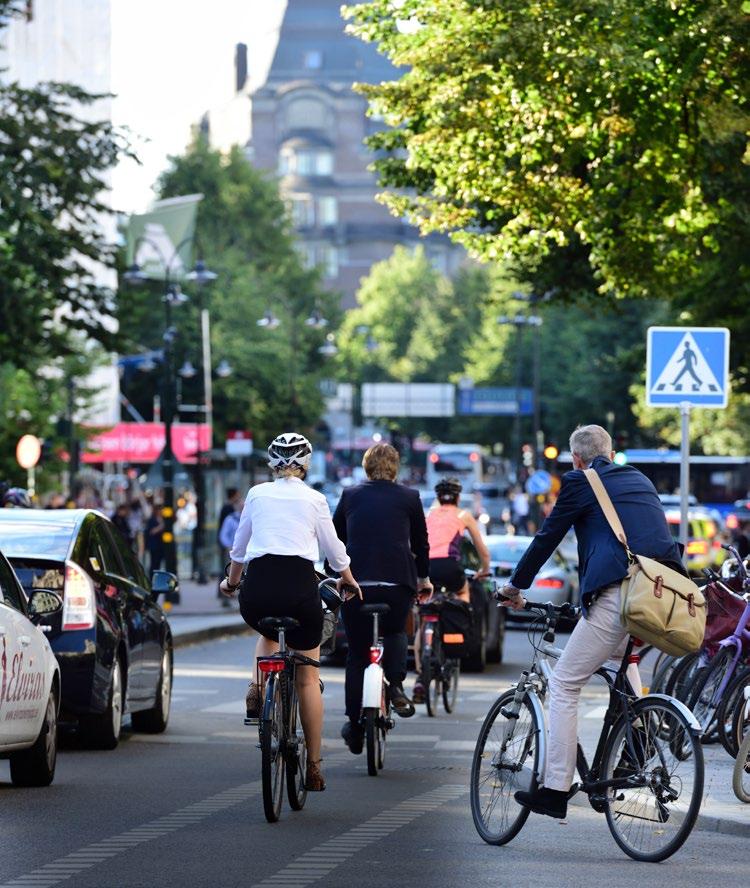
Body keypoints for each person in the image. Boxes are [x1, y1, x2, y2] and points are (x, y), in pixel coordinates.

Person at [501, 424, 686, 819]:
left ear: (577, 458)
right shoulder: (638, 478)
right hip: (659, 595)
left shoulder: (579, 481)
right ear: (611, 449)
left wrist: (515, 587)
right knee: (621, 662)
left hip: (618, 594)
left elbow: (547, 538)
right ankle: (639, 738)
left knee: (565, 683)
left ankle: (554, 789)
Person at [220, 432, 360, 792]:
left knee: (266, 632)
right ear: (306, 463)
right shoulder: (315, 499)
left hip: (258, 591)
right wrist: (348, 580)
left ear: (272, 463)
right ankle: (313, 766)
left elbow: (240, 549)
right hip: (300, 591)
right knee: (307, 678)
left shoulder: (256, 493)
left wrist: (231, 584)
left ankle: (256, 687)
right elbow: (334, 550)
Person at [332, 442, 432, 754]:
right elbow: (422, 543)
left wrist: (333, 574)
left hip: (357, 584)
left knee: (358, 654)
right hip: (397, 583)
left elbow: (336, 540)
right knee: (395, 630)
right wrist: (423, 579)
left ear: (365, 466)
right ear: (395, 468)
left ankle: (354, 722)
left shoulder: (350, 495)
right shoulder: (410, 497)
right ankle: (397, 686)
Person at [412, 476, 490, 702]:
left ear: (437, 497)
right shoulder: (463, 515)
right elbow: (482, 550)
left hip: (426, 569)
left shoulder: (428, 515)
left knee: (424, 613)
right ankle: (459, 625)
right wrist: (483, 570)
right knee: (463, 594)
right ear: (457, 497)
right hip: (450, 567)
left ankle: (420, 675)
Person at [145, 500, 165, 572]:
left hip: (161, 544)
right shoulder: (152, 520)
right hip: (154, 545)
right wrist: (160, 527)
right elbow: (151, 532)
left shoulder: (163, 519)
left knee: (159, 563)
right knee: (154, 563)